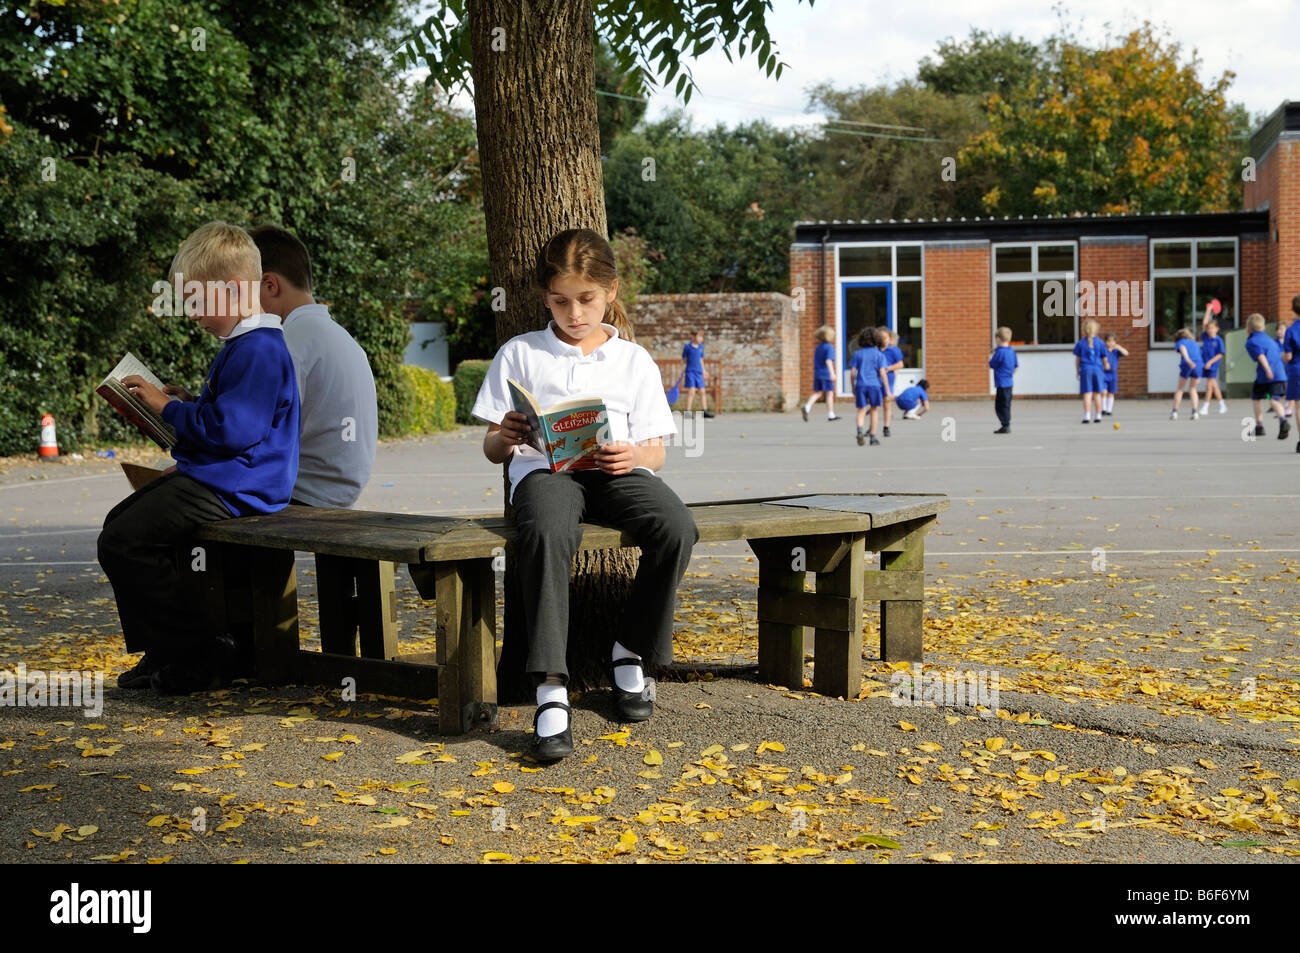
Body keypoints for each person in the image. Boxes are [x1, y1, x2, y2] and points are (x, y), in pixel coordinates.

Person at [470, 229, 698, 763]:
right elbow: (489, 450)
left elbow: (657, 452)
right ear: (546, 298)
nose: (574, 312)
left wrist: (633, 458)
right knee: (548, 531)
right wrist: (504, 436)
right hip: (543, 472)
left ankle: (630, 651)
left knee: (676, 526)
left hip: (612, 471)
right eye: (560, 301)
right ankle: (551, 686)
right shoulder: (520, 352)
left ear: (611, 292)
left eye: (586, 300)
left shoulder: (633, 360)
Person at [100, 222, 299, 693]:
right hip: (229, 477)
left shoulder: (258, 349)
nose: (190, 315)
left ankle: (197, 650)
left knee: (123, 539)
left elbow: (236, 431)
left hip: (242, 484)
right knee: (123, 527)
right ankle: (171, 650)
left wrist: (168, 408)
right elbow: (231, 419)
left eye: (194, 301)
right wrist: (187, 403)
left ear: (231, 293)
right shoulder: (246, 345)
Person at [250, 224, 378, 507]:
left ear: (270, 285)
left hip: (304, 492)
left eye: (242, 293)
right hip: (339, 488)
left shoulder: (288, 341)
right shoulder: (335, 334)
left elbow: (256, 433)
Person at [1245, 312, 1288, 439]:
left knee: (1256, 398)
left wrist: (1268, 369)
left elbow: (1261, 356)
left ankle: (1259, 426)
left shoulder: (1251, 342)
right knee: (1274, 399)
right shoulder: (1270, 340)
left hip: (1265, 375)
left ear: (1248, 328)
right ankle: (1283, 421)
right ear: (1263, 327)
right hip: (1280, 374)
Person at [848, 327, 889, 446]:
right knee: (874, 410)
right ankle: (873, 437)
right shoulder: (879, 355)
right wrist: (887, 390)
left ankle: (860, 431)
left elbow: (852, 373)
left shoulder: (857, 354)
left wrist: (852, 387)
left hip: (860, 385)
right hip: (874, 385)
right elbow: (882, 373)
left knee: (861, 410)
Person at [1073, 318, 1110, 424]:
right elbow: (1104, 357)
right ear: (1096, 330)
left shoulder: (1081, 343)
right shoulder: (1100, 343)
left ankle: (1087, 416)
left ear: (1084, 330)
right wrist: (1106, 364)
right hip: (1097, 370)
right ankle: (1098, 415)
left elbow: (1077, 359)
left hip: (1085, 370)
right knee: (1097, 394)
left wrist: (1077, 371)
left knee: (1087, 394)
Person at [801, 325, 840, 422]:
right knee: (829, 394)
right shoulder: (829, 347)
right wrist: (832, 373)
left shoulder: (818, 347)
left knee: (817, 392)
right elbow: (828, 361)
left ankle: (807, 407)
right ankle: (831, 414)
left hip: (817, 373)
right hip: (826, 374)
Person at [989, 326, 1018, 434]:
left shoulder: (1000, 352)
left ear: (998, 339)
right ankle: (1006, 424)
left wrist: (994, 353)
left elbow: (991, 364)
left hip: (1001, 383)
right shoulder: (1012, 351)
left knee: (999, 405)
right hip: (1009, 382)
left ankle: (1005, 424)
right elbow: (1016, 367)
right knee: (1007, 404)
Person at [1199, 307, 1227, 415]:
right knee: (1213, 385)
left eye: (1212, 328)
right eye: (1208, 328)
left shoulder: (1218, 340)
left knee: (1209, 385)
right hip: (1205, 364)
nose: (1210, 330)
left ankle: (1205, 406)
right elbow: (1204, 322)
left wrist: (1210, 362)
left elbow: (1220, 354)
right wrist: (1208, 310)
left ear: (1217, 329)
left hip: (1213, 365)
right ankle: (1222, 404)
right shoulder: (1206, 337)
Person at [1170, 328, 1203, 420]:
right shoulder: (1194, 343)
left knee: (1180, 389)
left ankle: (1174, 412)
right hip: (1198, 364)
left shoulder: (1180, 342)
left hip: (1187, 364)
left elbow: (1182, 348)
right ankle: (1195, 412)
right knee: (1193, 389)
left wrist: (1188, 360)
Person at [680, 330, 714, 418]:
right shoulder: (687, 347)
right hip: (690, 372)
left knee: (702, 391)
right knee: (692, 391)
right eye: (699, 336)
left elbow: (701, 360)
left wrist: (704, 371)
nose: (701, 338)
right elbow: (684, 359)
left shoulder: (701, 347)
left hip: (699, 372)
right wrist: (683, 370)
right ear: (694, 336)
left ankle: (704, 411)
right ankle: (687, 412)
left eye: (702, 337)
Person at [1281, 295, 1300, 452]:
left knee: (1299, 407)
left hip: (1297, 369)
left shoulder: (1291, 330)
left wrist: (1282, 357)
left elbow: (1288, 356)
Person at [1101, 333, 1129, 416]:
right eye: (1108, 341)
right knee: (1104, 391)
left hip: (1113, 374)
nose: (1110, 343)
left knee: (1111, 392)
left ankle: (1109, 410)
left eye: (1112, 341)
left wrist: (1118, 347)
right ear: (1105, 342)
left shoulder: (1116, 351)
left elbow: (1126, 353)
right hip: (1103, 373)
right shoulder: (1103, 350)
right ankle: (1103, 409)